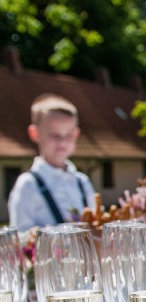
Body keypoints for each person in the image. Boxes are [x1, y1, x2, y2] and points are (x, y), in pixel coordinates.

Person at [9, 94, 95, 234]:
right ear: (35, 133)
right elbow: (20, 236)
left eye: (68, 135)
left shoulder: (82, 181)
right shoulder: (28, 184)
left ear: (76, 135)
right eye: (54, 135)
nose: (62, 141)